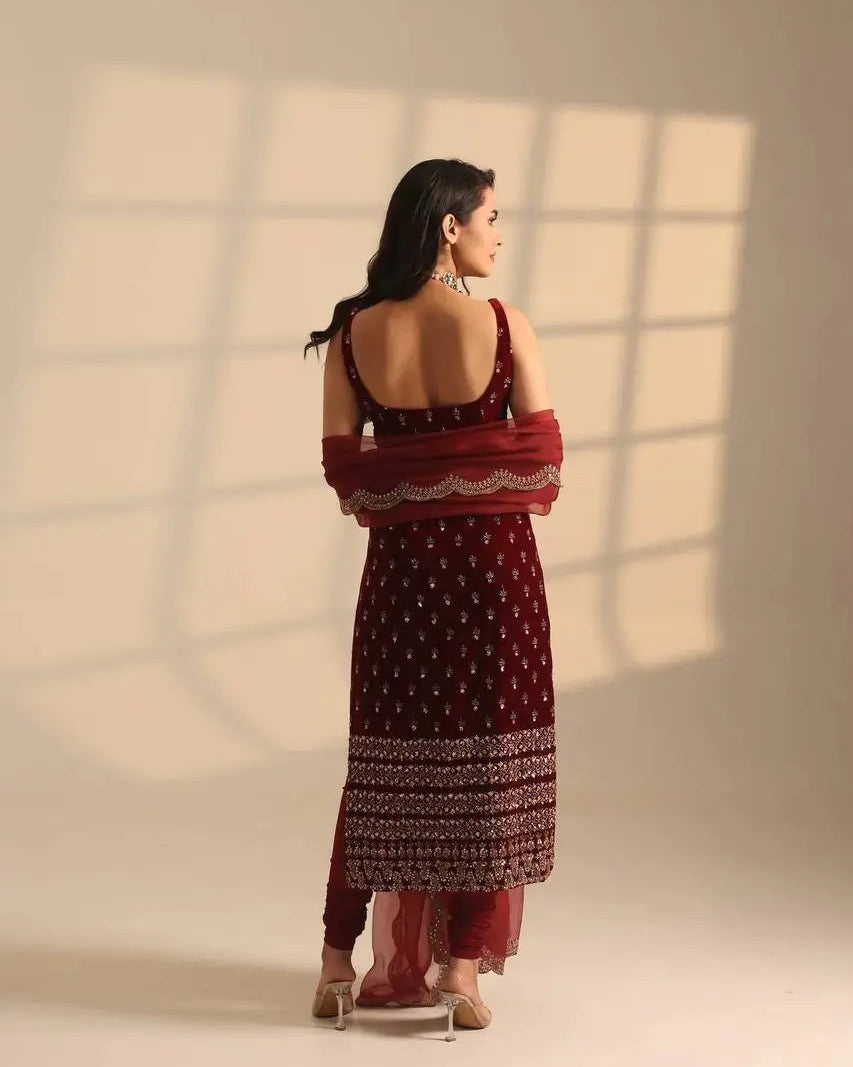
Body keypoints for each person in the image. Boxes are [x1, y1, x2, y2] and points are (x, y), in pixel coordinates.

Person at [306, 158, 562, 1038]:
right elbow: (539, 458)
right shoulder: (502, 323)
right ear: (450, 227)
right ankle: (460, 971)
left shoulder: (353, 333)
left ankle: (335, 962)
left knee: (381, 763)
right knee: (489, 761)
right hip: (494, 571)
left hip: (401, 574)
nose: (499, 235)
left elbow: (348, 474)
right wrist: (472, 472)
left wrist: (410, 484)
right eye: (490, 218)